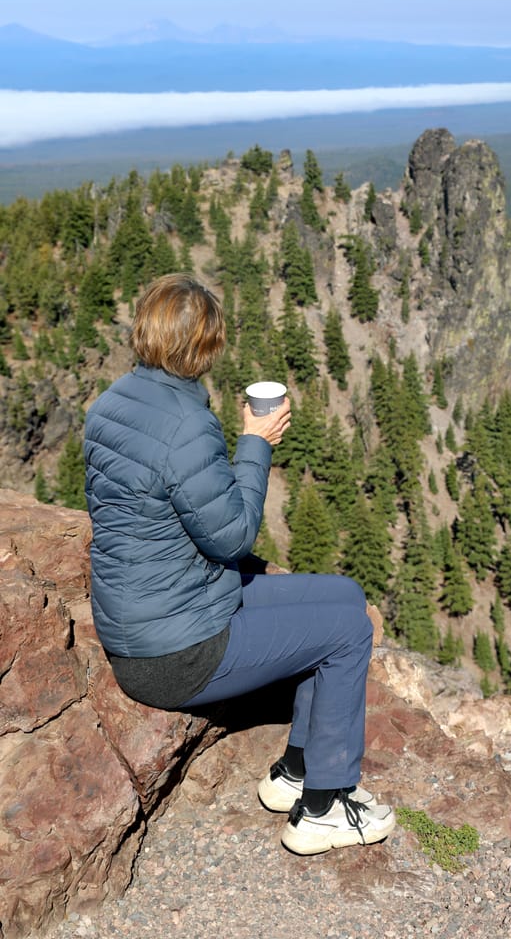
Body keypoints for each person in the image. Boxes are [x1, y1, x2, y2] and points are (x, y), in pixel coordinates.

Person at [84, 273, 395, 855]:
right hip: (175, 653)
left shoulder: (108, 405)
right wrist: (255, 441)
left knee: (346, 595)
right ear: (205, 347)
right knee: (349, 630)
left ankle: (297, 770)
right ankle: (324, 807)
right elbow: (231, 537)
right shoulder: (187, 424)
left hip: (158, 613)